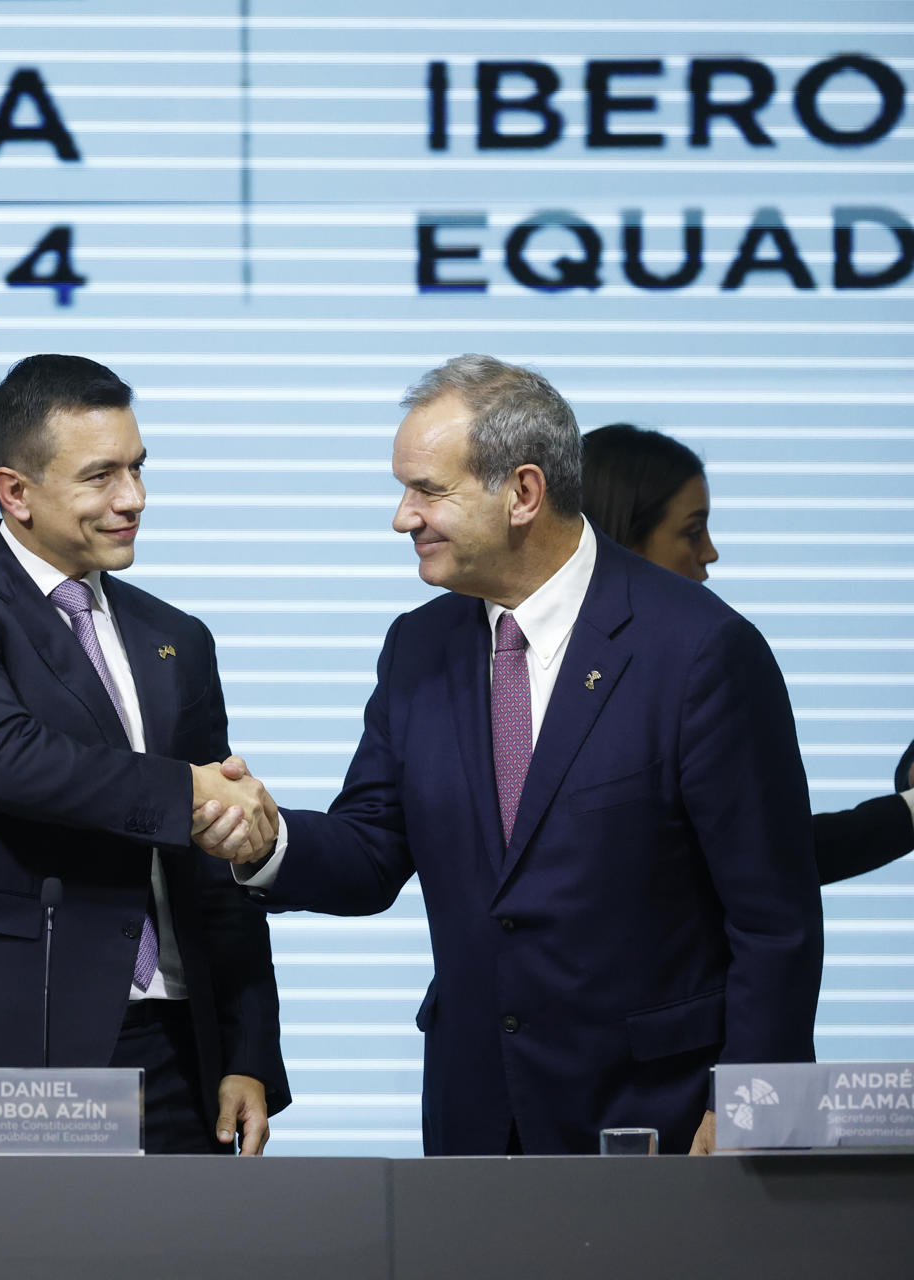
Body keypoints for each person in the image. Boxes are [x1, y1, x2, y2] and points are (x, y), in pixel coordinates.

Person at [205, 355, 822, 1156]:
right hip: (477, 1117)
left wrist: (751, 1105)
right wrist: (268, 840)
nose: (403, 517)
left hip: (663, 1118)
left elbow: (774, 918)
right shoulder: (418, 646)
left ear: (523, 492)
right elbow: (374, 845)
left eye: (428, 490)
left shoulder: (699, 650)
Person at [0, 355, 289, 1154]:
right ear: (14, 491)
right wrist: (190, 793)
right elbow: (5, 759)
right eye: (101, 476)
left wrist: (248, 1052)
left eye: (137, 469)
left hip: (180, 1048)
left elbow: (214, 865)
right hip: (8, 1037)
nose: (132, 498)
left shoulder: (177, 637)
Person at [581, 422, 914, 885]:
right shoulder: (708, 666)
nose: (711, 553)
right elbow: (771, 857)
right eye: (693, 532)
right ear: (624, 539)